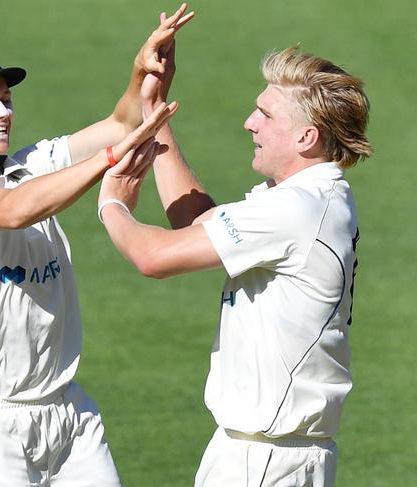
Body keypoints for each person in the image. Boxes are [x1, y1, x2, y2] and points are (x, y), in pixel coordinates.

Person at [0, 5, 193, 486]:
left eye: (5, 98)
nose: (3, 111)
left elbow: (123, 122)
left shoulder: (30, 163)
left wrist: (143, 72)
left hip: (67, 411)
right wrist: (108, 160)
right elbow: (12, 210)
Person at [97, 44, 373, 486]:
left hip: (265, 459)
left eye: (265, 114)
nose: (250, 123)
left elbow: (154, 257)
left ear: (307, 137)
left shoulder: (297, 207)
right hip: (268, 453)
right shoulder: (310, 196)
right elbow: (201, 224)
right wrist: (155, 116)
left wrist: (112, 203)